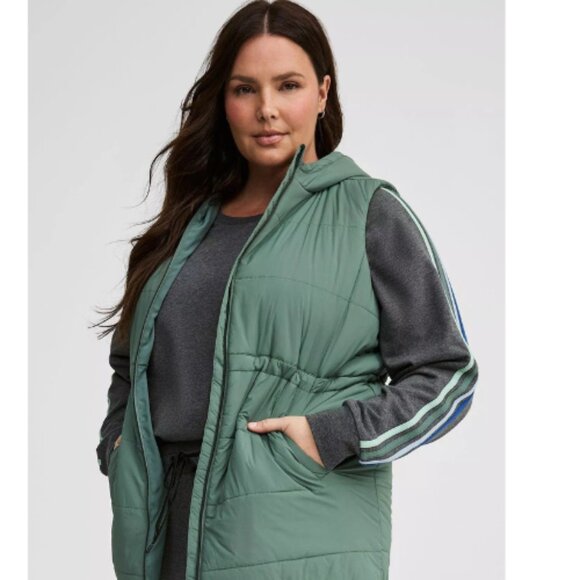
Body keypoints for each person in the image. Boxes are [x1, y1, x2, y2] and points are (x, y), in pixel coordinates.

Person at [93, 1, 479, 579]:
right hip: (163, 529)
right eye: (245, 89)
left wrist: (332, 435)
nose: (266, 109)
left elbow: (447, 373)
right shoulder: (183, 227)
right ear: (224, 101)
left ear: (323, 93)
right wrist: (118, 447)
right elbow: (131, 369)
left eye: (288, 85)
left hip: (297, 530)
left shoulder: (368, 212)